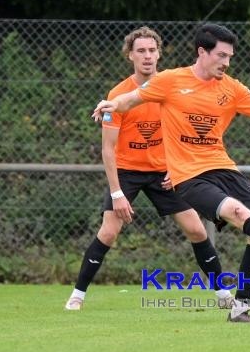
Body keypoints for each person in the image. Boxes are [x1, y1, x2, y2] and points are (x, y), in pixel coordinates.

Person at [92, 24, 250, 323]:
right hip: (189, 177)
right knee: (238, 213)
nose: (226, 62)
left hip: (224, 167)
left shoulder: (231, 87)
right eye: (221, 55)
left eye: (230, 56)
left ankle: (241, 307)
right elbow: (129, 99)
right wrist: (111, 104)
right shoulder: (171, 81)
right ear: (202, 52)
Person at [66, 27, 233, 311]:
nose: (147, 56)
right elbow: (108, 149)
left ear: (159, 54)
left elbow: (184, 134)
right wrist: (117, 193)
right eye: (141, 51)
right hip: (127, 172)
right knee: (108, 233)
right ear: (130, 55)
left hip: (164, 173)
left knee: (196, 230)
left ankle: (224, 296)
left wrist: (175, 167)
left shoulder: (172, 87)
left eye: (152, 50)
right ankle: (77, 296)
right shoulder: (118, 94)